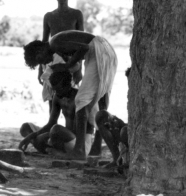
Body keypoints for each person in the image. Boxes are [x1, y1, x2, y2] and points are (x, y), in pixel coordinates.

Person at [24, 30, 118, 160]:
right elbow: (75, 60)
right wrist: (66, 65)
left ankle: (80, 150)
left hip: (99, 50)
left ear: (40, 50)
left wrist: (67, 64)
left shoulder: (54, 43)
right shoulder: (57, 48)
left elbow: (84, 48)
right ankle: (88, 148)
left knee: (82, 99)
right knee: (93, 99)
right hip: (101, 50)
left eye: (41, 60)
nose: (44, 63)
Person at [19, 70, 95, 155]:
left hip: (81, 145)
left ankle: (55, 151)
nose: (56, 93)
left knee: (55, 130)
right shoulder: (57, 97)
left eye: (59, 90)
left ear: (68, 85)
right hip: (64, 138)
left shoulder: (80, 98)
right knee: (25, 128)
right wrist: (31, 136)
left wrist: (50, 135)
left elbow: (90, 127)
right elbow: (51, 123)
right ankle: (55, 151)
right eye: (54, 90)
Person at [39, 0, 84, 102]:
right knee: (52, 98)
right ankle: (53, 121)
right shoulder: (49, 16)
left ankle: (71, 121)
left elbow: (82, 44)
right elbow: (44, 44)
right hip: (53, 62)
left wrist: (79, 69)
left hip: (72, 61)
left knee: (72, 98)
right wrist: (40, 69)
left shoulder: (76, 14)